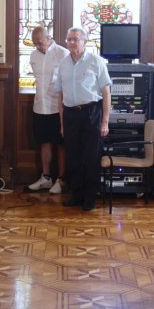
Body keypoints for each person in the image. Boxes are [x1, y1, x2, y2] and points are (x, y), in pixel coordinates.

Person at [54, 26, 112, 211]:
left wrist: (105, 122)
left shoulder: (97, 62)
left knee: (91, 157)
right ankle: (76, 195)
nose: (71, 42)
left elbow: (106, 93)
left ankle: (90, 198)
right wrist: (62, 123)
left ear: (85, 41)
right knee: (73, 158)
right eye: (69, 39)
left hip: (91, 114)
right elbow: (59, 95)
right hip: (70, 115)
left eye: (75, 39)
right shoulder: (63, 64)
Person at [26, 26, 69, 194]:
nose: (38, 46)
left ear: (49, 37)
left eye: (41, 43)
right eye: (36, 44)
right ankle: (46, 177)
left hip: (57, 107)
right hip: (39, 106)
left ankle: (61, 179)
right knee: (43, 142)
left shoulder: (63, 54)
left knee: (61, 144)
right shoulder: (33, 55)